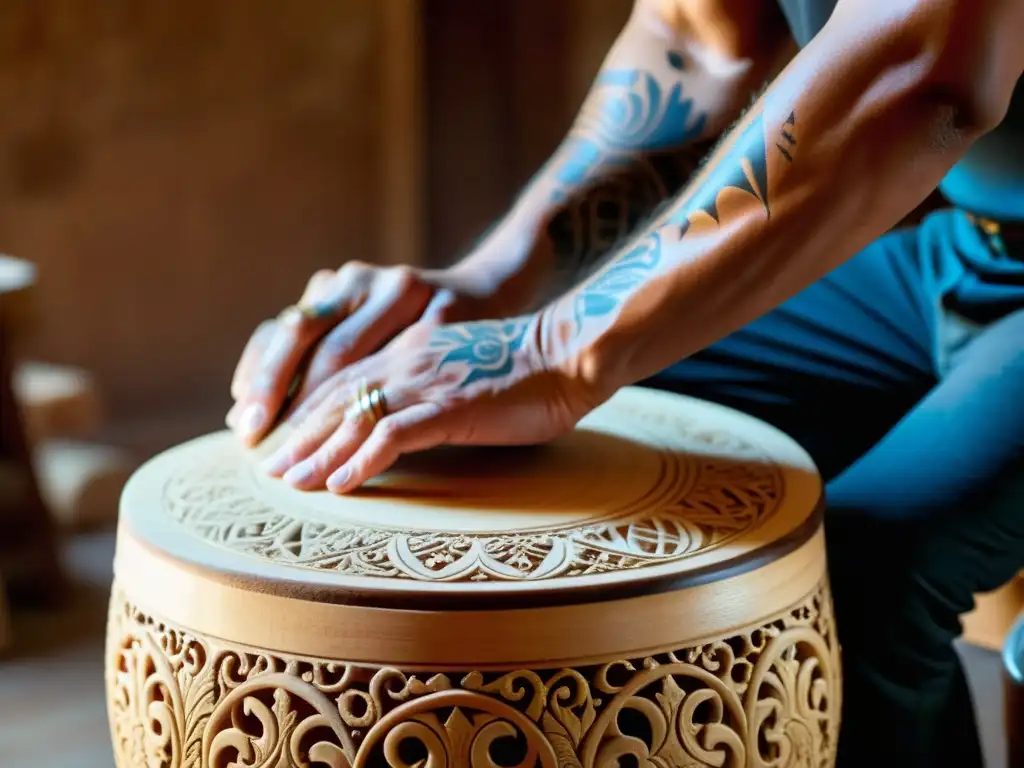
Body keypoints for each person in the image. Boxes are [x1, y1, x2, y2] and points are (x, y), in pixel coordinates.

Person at [226, 0, 1024, 764]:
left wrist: (551, 350)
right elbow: (697, 42)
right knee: (600, 444)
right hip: (969, 251)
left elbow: (921, 70)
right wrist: (488, 285)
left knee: (865, 569)